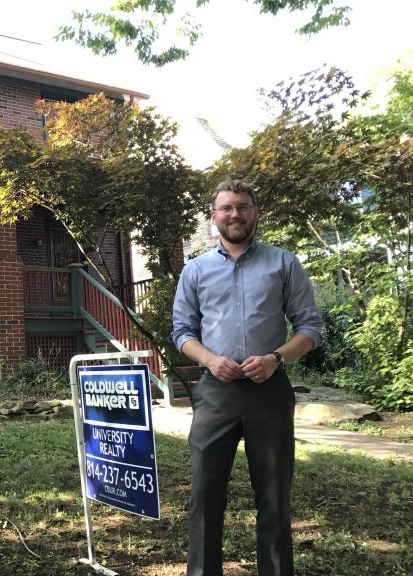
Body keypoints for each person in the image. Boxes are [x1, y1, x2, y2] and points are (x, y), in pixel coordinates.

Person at [171, 179, 323, 576]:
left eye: (242, 207)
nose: (234, 214)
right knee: (205, 493)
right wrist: (209, 358)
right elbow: (182, 332)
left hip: (268, 391)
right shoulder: (195, 270)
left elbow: (310, 327)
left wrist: (276, 358)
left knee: (274, 495)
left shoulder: (283, 262)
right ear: (213, 217)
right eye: (226, 208)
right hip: (215, 392)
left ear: (254, 213)